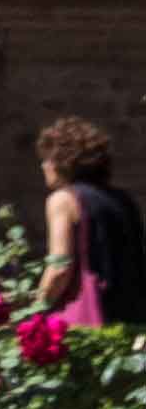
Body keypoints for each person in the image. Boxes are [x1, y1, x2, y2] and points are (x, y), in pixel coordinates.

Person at [31, 116, 146, 331]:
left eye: (47, 159)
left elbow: (60, 267)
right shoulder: (123, 200)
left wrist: (36, 308)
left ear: (61, 162)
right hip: (132, 317)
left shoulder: (63, 200)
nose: (43, 165)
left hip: (86, 322)